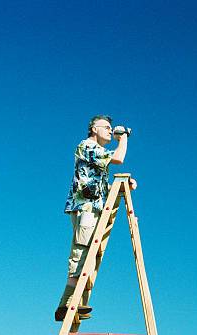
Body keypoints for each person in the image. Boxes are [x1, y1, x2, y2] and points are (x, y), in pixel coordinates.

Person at [55, 115, 137, 321]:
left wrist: (121, 187)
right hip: (86, 209)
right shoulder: (87, 146)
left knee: (87, 257)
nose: (110, 131)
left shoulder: (97, 155)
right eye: (107, 127)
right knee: (81, 254)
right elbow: (118, 159)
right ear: (93, 128)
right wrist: (124, 138)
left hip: (93, 206)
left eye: (112, 128)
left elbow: (96, 187)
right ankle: (66, 305)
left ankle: (75, 303)